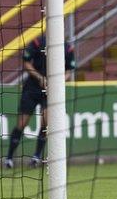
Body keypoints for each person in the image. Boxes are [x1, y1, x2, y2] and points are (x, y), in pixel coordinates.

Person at [5, 36, 76, 168]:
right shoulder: (38, 42)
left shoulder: (67, 48)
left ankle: (36, 156)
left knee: (46, 122)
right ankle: (9, 158)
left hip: (51, 91)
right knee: (22, 123)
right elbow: (26, 62)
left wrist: (57, 82)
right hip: (32, 88)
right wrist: (39, 77)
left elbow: (69, 71)